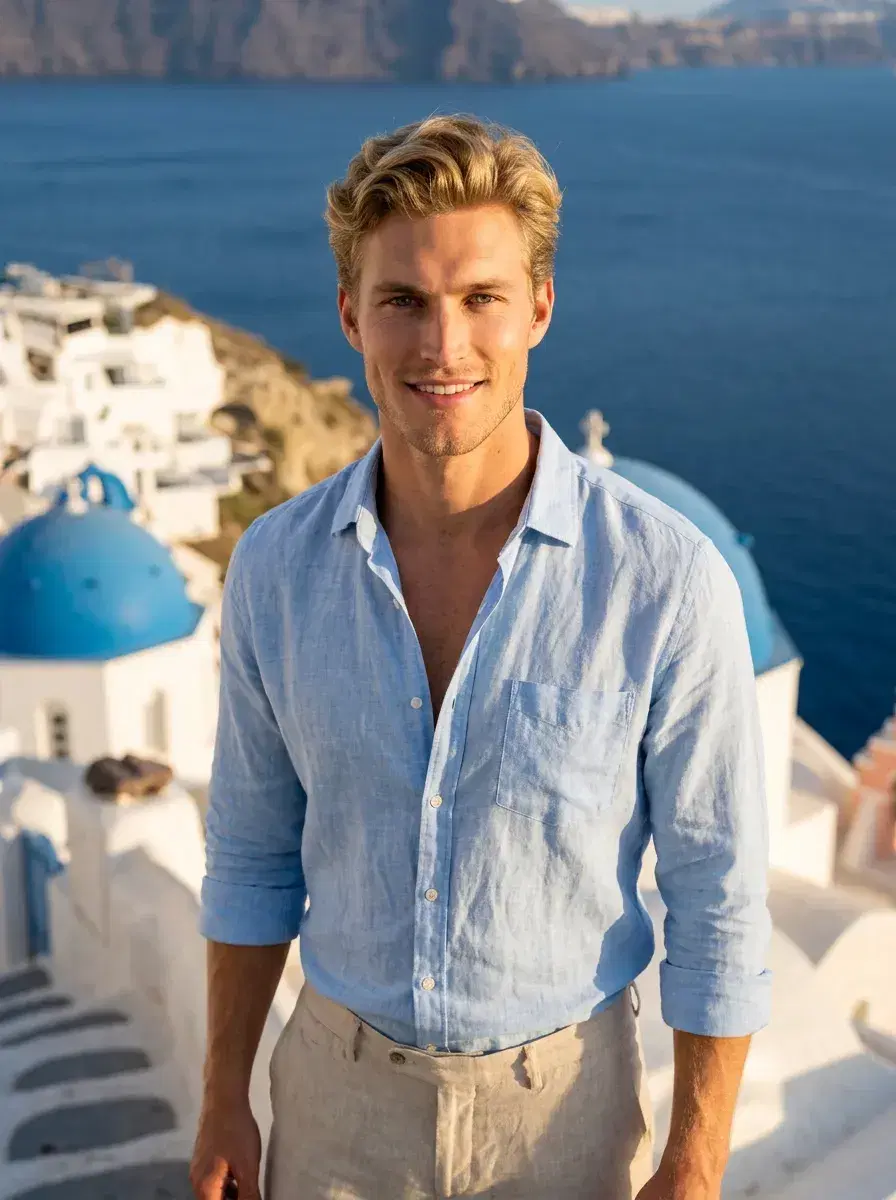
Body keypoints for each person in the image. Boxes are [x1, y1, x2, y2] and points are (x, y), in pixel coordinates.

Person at [190, 114, 771, 1200]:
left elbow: (717, 895)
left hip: (563, 1116)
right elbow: (252, 858)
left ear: (538, 308)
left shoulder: (661, 579)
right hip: (335, 1101)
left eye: (480, 300)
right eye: (402, 300)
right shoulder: (275, 568)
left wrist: (694, 1162)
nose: (441, 345)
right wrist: (224, 1092)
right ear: (349, 314)